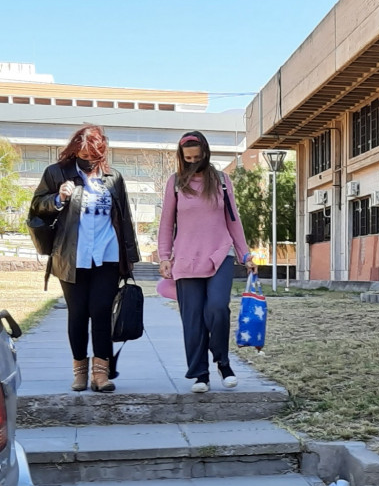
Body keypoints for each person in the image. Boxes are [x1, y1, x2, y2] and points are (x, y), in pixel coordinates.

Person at [29, 125, 139, 393]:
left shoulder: (114, 177)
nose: (89, 160)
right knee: (78, 314)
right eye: (84, 154)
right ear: (75, 149)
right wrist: (58, 197)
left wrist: (130, 257)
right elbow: (37, 206)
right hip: (71, 255)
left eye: (95, 155)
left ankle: (101, 374)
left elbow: (124, 218)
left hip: (108, 256)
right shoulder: (56, 173)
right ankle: (80, 370)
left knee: (101, 311)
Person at [158, 131, 257, 393]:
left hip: (219, 253)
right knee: (193, 318)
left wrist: (245, 254)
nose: (192, 162)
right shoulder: (175, 183)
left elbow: (233, 221)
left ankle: (223, 363)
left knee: (217, 308)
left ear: (206, 154)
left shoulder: (222, 181)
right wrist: (164, 256)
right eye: (187, 158)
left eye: (197, 158)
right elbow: (166, 223)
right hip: (186, 258)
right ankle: (201, 374)